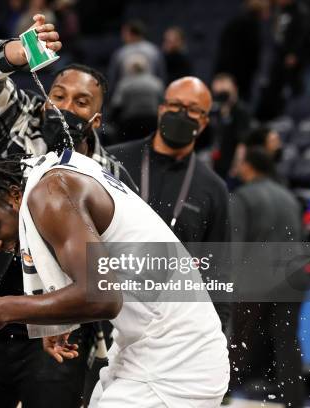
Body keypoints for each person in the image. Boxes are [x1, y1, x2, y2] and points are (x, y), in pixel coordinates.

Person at [0, 14, 134, 408]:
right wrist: (17, 52)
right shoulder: (20, 125)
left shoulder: (113, 178)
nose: (65, 107)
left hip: (62, 330)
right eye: (59, 96)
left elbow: (118, 269)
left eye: (81, 103)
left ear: (96, 120)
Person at [0, 151, 230, 407]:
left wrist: (4, 309)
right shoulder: (59, 173)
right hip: (149, 346)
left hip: (177, 358)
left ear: (15, 196)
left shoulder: (49, 195)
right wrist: (53, 319)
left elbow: (104, 298)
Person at [107, 76, 231, 331]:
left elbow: (217, 271)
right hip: (108, 311)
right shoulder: (114, 161)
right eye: (175, 105)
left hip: (171, 324)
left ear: (205, 121)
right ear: (161, 108)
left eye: (194, 110)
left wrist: (218, 336)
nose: (182, 114)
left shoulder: (213, 188)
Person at [230, 147, 305, 408]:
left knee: (236, 338)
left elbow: (233, 245)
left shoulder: (242, 196)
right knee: (286, 342)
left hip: (257, 280)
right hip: (293, 276)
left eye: (240, 162)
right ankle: (294, 400)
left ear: (249, 166)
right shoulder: (289, 196)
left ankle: (220, 394)